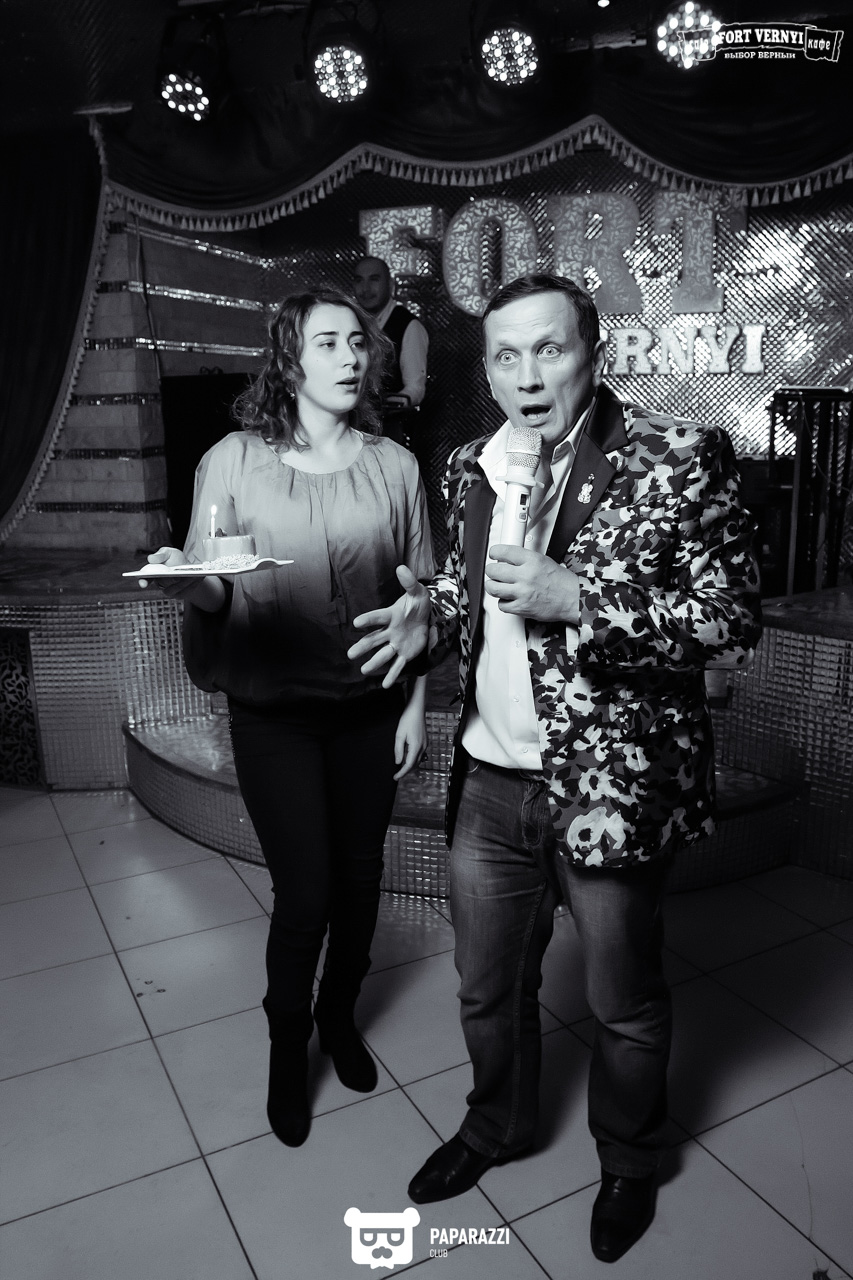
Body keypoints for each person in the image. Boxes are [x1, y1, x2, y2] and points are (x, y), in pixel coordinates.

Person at [349, 274, 761, 1263]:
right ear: (486, 370)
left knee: (624, 1001)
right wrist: (428, 613)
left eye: (549, 349)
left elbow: (731, 619)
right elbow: (469, 591)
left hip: (612, 788)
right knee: (485, 987)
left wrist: (579, 597)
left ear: (593, 354)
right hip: (489, 781)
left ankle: (628, 1158)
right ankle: (495, 1124)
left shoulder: (677, 454)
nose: (527, 376)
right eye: (506, 355)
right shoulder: (467, 464)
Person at [141, 288, 434, 1149]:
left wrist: (415, 704)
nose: (350, 356)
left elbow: (424, 599)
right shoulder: (231, 460)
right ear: (289, 360)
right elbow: (215, 585)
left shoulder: (396, 466)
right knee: (306, 892)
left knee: (361, 883)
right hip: (274, 716)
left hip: (370, 709)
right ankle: (286, 1044)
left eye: (358, 342)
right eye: (328, 342)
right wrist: (183, 581)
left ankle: (339, 1015)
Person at [353, 256, 429, 451]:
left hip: (390, 434)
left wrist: (385, 406)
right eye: (359, 280)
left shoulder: (408, 325)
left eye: (374, 279)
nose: (365, 288)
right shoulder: (351, 324)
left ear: (390, 285)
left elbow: (415, 388)